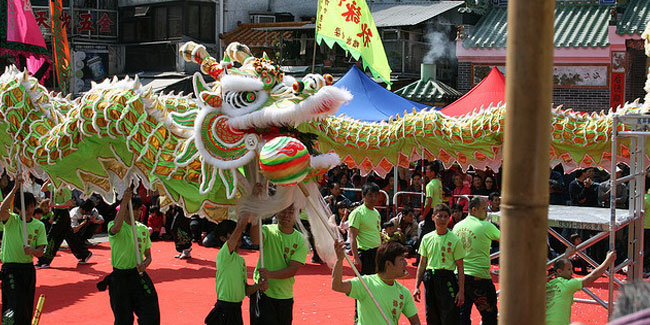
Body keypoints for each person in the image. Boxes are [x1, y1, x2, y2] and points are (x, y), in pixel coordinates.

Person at [97, 187, 160, 324]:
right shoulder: (114, 226)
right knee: (123, 319)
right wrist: (125, 201)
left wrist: (145, 264)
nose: (137, 212)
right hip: (120, 280)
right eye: (134, 209)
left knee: (151, 315)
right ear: (125, 209)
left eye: (139, 209)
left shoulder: (142, 229)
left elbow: (148, 255)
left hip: (139, 276)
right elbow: (116, 228)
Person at [331, 240, 420, 324]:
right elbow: (337, 285)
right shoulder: (365, 283)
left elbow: (415, 322)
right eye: (401, 259)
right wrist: (339, 260)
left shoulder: (404, 292)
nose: (405, 263)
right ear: (388, 264)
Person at [250, 204, 307, 325]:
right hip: (262, 291)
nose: (286, 216)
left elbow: (292, 270)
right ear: (276, 212)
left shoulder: (301, 240)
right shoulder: (267, 230)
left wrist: (269, 275)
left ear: (297, 214)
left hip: (284, 296)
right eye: (283, 211)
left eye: (291, 212)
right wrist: (256, 213)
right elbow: (255, 239)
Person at [0, 177, 47, 324]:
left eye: (33, 206)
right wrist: (15, 189)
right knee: (15, 305)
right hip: (10, 270)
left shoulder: (39, 226)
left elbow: (41, 252)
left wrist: (32, 251)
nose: (31, 210)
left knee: (26, 307)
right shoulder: (11, 220)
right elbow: (1, 211)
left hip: (27, 270)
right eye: (27, 207)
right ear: (19, 208)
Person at [205, 217, 268, 325]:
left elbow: (245, 290)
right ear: (223, 238)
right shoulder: (224, 255)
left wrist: (258, 286)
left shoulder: (240, 260)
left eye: (238, 232)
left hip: (236, 309)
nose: (238, 235)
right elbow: (237, 233)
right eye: (232, 233)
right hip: (224, 308)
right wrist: (245, 216)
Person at [413, 203, 465, 325]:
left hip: (447, 279)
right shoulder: (426, 238)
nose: (442, 219)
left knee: (449, 316)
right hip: (430, 279)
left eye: (445, 216)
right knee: (431, 314)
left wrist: (461, 291)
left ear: (449, 218)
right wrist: (416, 286)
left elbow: (460, 266)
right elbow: (422, 264)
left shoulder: (455, 239)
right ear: (433, 217)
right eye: (439, 216)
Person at [453, 197, 500, 325]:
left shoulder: (457, 227)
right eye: (484, 209)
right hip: (479, 278)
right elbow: (506, 238)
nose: (487, 212)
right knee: (489, 315)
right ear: (474, 210)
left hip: (460, 277)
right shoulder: (485, 226)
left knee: (463, 314)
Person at [546, 250, 616, 325]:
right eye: (569, 269)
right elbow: (593, 276)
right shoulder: (567, 284)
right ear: (559, 271)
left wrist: (566, 255)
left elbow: (557, 267)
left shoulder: (549, 284)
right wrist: (608, 260)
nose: (572, 272)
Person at [36, 181, 92, 268]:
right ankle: (84, 253)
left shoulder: (65, 187)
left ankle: (45, 260)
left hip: (62, 213)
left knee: (52, 236)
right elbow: (43, 189)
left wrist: (55, 205)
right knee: (69, 236)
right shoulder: (54, 185)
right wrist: (48, 180)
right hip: (58, 212)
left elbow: (69, 203)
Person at [349, 182, 382, 275]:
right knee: (363, 285)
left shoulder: (376, 213)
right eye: (370, 195)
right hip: (364, 253)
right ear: (363, 196)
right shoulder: (357, 213)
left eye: (376, 196)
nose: (373, 198)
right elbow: (352, 237)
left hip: (376, 253)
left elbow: (377, 233)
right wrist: (356, 257)